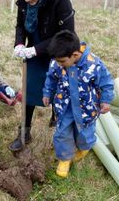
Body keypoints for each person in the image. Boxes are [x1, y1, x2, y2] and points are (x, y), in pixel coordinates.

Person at [9, 0, 75, 151]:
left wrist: (36, 49)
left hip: (58, 53)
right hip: (35, 51)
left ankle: (58, 124)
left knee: (58, 89)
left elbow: (66, 34)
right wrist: (19, 43)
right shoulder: (24, 3)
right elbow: (20, 25)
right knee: (29, 89)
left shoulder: (60, 0)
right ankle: (24, 132)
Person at [43, 30, 114, 178]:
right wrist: (47, 93)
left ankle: (83, 148)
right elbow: (51, 77)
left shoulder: (94, 64)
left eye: (62, 62)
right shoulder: (58, 62)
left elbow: (106, 83)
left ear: (75, 55)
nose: (58, 64)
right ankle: (64, 158)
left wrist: (106, 100)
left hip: (86, 109)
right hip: (65, 106)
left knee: (84, 133)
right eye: (57, 61)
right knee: (62, 132)